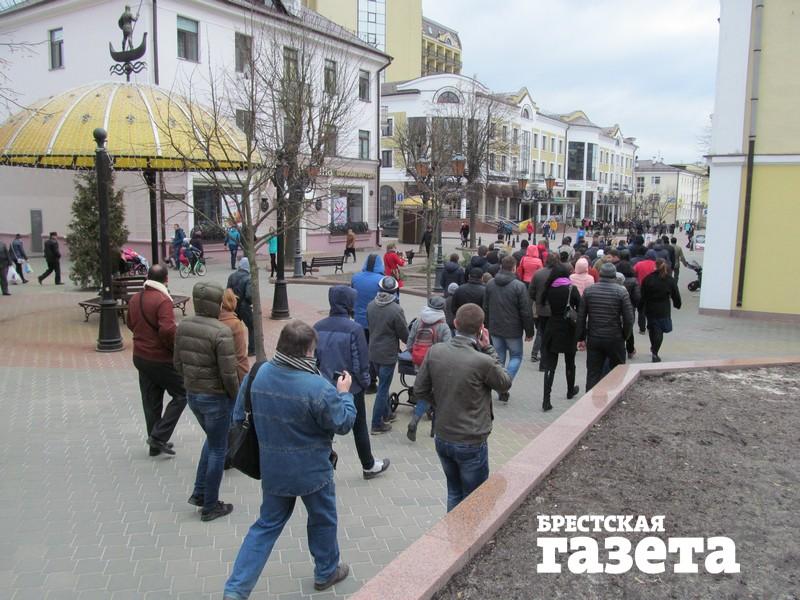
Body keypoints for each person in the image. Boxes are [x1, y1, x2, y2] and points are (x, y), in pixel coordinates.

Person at [223, 322, 356, 598]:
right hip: (313, 471)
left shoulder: (258, 373)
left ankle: (236, 590)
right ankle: (326, 571)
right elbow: (343, 423)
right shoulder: (318, 387)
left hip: (274, 468)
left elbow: (238, 416)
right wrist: (344, 394)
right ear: (307, 351)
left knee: (266, 526)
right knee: (322, 519)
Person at [414, 303, 511, 512]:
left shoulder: (435, 351)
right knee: (474, 499)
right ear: (481, 329)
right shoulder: (483, 360)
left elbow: (419, 390)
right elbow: (504, 383)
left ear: (455, 323)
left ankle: (452, 531)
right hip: (471, 439)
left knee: (454, 493)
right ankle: (469, 532)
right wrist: (489, 348)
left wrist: (440, 403)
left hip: (443, 435)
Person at [174, 282, 240, 521]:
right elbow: (229, 373)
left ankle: (201, 492)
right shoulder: (221, 332)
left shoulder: (184, 326)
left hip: (194, 394)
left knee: (213, 442)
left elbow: (177, 363)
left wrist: (191, 381)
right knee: (218, 449)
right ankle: (210, 505)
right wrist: (235, 396)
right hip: (216, 398)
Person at [314, 286, 390, 480]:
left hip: (324, 385)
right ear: (348, 304)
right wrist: (364, 383)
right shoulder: (354, 329)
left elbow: (314, 358)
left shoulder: (318, 326)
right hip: (350, 385)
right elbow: (361, 362)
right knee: (359, 425)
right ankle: (368, 465)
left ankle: (321, 464)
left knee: (326, 426)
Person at [127, 265, 187, 456]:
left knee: (151, 400)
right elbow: (168, 330)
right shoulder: (162, 300)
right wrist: (173, 348)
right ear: (166, 279)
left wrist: (143, 337)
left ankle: (154, 445)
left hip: (140, 356)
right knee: (182, 393)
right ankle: (159, 436)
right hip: (160, 357)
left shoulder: (135, 298)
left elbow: (130, 323)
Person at [483, 255, 535, 402]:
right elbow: (525, 311)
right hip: (513, 329)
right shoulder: (519, 286)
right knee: (516, 356)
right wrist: (529, 331)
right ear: (514, 268)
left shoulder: (490, 284)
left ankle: (501, 384)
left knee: (499, 358)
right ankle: (504, 384)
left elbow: (485, 307)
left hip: (495, 327)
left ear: (501, 266)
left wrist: (486, 326)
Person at [576, 263, 634, 391]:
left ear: (600, 274)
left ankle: (590, 399)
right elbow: (629, 319)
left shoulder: (589, 291)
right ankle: (614, 397)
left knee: (593, 373)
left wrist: (581, 337)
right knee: (618, 372)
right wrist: (625, 335)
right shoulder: (621, 292)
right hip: (615, 338)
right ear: (614, 276)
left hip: (594, 338)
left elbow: (581, 317)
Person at [405, 296, 452, 441]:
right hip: (437, 365)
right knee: (438, 395)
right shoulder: (443, 326)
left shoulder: (418, 321)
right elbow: (448, 349)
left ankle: (415, 421)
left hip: (419, 364)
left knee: (425, 394)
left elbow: (409, 343)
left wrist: (416, 356)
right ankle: (434, 428)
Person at [366, 276, 408, 434]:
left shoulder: (371, 305)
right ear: (395, 290)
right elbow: (404, 333)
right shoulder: (396, 310)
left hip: (373, 352)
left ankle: (387, 414)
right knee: (383, 389)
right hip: (388, 354)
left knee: (383, 385)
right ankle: (376, 424)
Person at [540, 262, 582, 411]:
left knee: (550, 366)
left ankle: (546, 400)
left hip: (552, 327)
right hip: (568, 329)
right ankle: (570, 390)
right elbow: (580, 308)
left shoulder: (549, 288)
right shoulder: (571, 289)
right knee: (570, 362)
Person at [351, 254, 385, 393]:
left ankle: (363, 379)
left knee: (361, 351)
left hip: (359, 320)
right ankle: (372, 381)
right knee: (374, 352)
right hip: (376, 322)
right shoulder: (382, 280)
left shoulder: (356, 278)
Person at [641, 258, 682, 362]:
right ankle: (655, 352)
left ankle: (653, 347)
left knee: (652, 328)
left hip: (650, 308)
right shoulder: (669, 280)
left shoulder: (648, 279)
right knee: (660, 331)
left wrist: (640, 307)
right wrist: (677, 304)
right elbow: (675, 294)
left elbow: (643, 295)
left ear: (655, 266)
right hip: (663, 308)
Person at [529, 254, 558, 365]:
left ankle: (538, 355)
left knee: (541, 332)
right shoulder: (559, 275)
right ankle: (548, 357)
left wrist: (537, 300)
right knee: (552, 333)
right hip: (555, 308)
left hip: (541, 307)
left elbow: (531, 291)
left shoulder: (538, 274)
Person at [220, 288, 250, 382]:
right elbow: (240, 358)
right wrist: (246, 382)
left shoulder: (212, 320)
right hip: (230, 377)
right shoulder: (234, 324)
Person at [226, 257, 255, 356]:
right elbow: (249, 295)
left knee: (232, 328)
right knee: (252, 327)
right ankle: (252, 350)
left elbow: (227, 292)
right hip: (244, 306)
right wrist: (249, 303)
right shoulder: (249, 278)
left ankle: (231, 349)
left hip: (233, 306)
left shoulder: (231, 276)